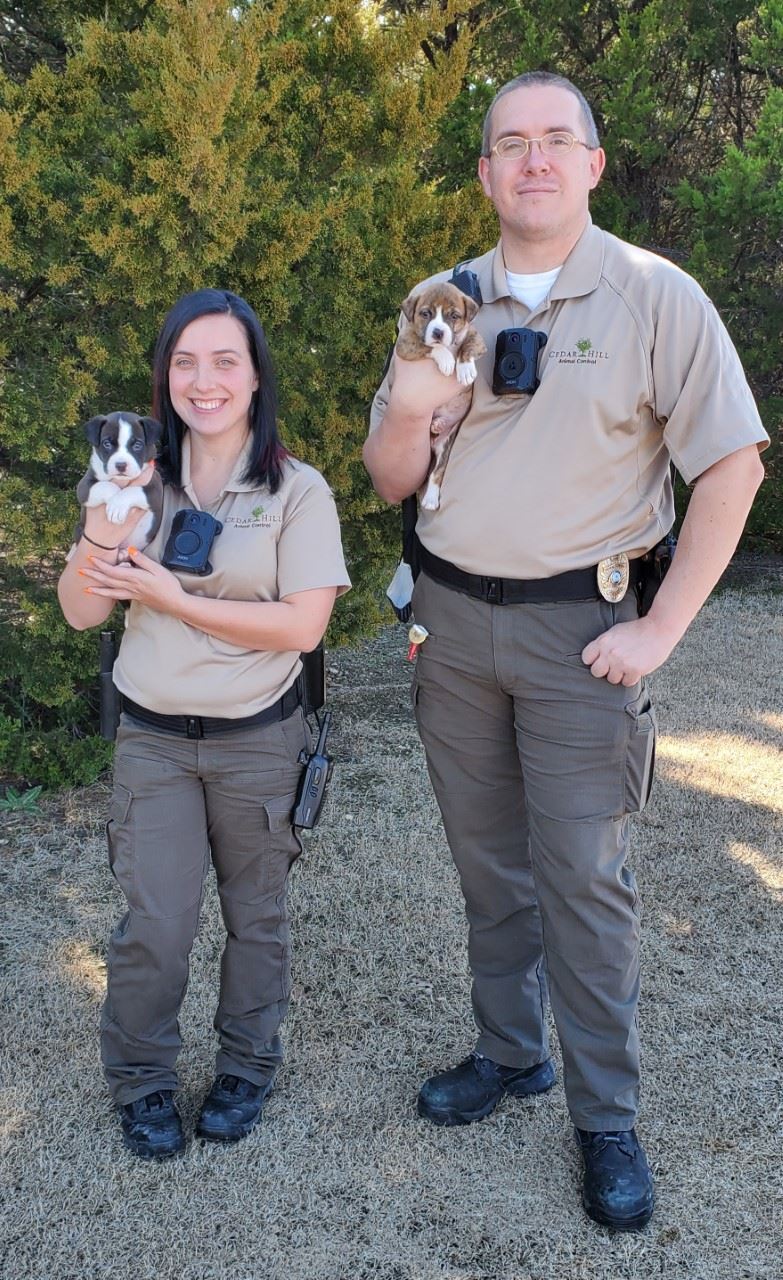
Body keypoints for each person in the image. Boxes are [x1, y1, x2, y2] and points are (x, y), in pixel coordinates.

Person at [364, 71, 768, 1231]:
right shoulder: (439, 300)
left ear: (592, 163)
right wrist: (410, 403)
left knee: (585, 881)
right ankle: (511, 1053)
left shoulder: (654, 295)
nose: (532, 160)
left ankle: (604, 1115)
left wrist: (662, 626)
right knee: (489, 866)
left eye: (556, 141)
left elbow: (732, 464)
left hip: (580, 635)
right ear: (485, 172)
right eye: (509, 144)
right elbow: (392, 475)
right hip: (448, 626)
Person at [58, 289, 350, 1160]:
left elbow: (303, 627)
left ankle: (246, 1069)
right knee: (156, 920)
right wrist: (94, 546)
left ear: (256, 375)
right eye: (184, 362)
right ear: (163, 379)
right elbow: (79, 613)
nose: (204, 380)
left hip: (259, 739)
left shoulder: (294, 488)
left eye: (225, 360)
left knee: (256, 917)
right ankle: (143, 1080)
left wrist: (176, 598)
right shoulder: (135, 473)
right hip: (152, 738)